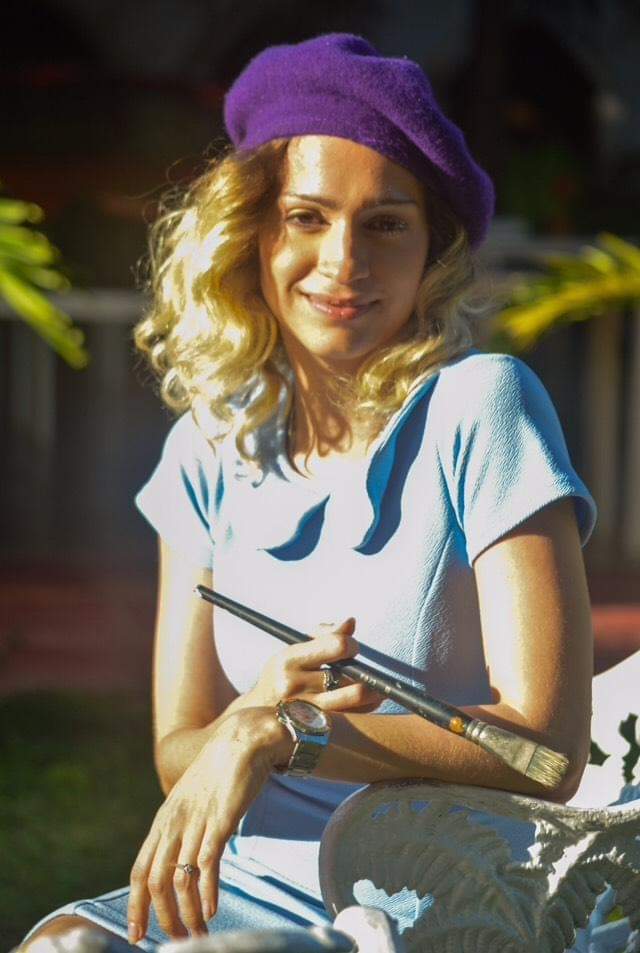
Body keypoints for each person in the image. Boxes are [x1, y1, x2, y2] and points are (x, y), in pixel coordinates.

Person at [21, 32, 597, 951]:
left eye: (386, 223)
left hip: (436, 897)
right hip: (246, 882)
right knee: (59, 946)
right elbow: (178, 747)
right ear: (254, 230)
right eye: (307, 217)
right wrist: (250, 714)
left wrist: (288, 732)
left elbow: (548, 753)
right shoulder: (205, 446)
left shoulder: (483, 404)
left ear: (433, 247)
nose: (344, 260)